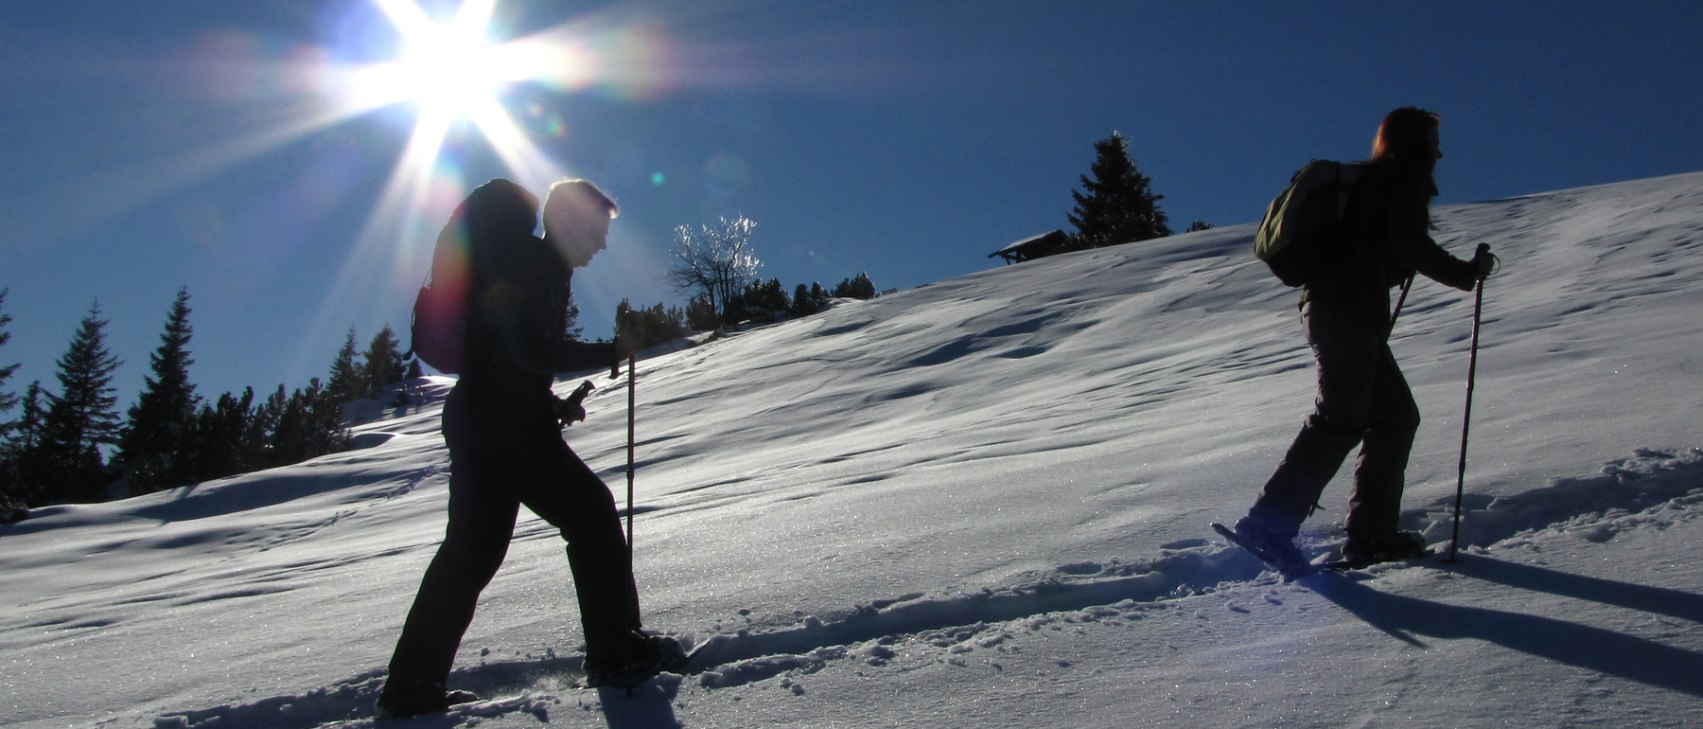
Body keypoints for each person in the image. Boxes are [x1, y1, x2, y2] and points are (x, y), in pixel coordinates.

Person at [377, 179, 678, 720]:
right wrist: (611, 351)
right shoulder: (530, 266)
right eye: (599, 232)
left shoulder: (538, 268)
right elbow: (528, 349)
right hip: (499, 430)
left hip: (498, 422)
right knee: (578, 520)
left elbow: (511, 358)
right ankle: (615, 652)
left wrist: (550, 403)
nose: (603, 246)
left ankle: (411, 686)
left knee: (477, 551)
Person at [1230, 108, 1496, 569]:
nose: (1439, 150)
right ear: (1414, 143)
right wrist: (1465, 273)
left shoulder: (1374, 182)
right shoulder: (1401, 178)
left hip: (1338, 311)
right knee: (1341, 417)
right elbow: (1410, 244)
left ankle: (1369, 535)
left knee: (1393, 417)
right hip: (1346, 312)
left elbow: (1383, 247)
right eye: (1433, 140)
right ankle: (1269, 525)